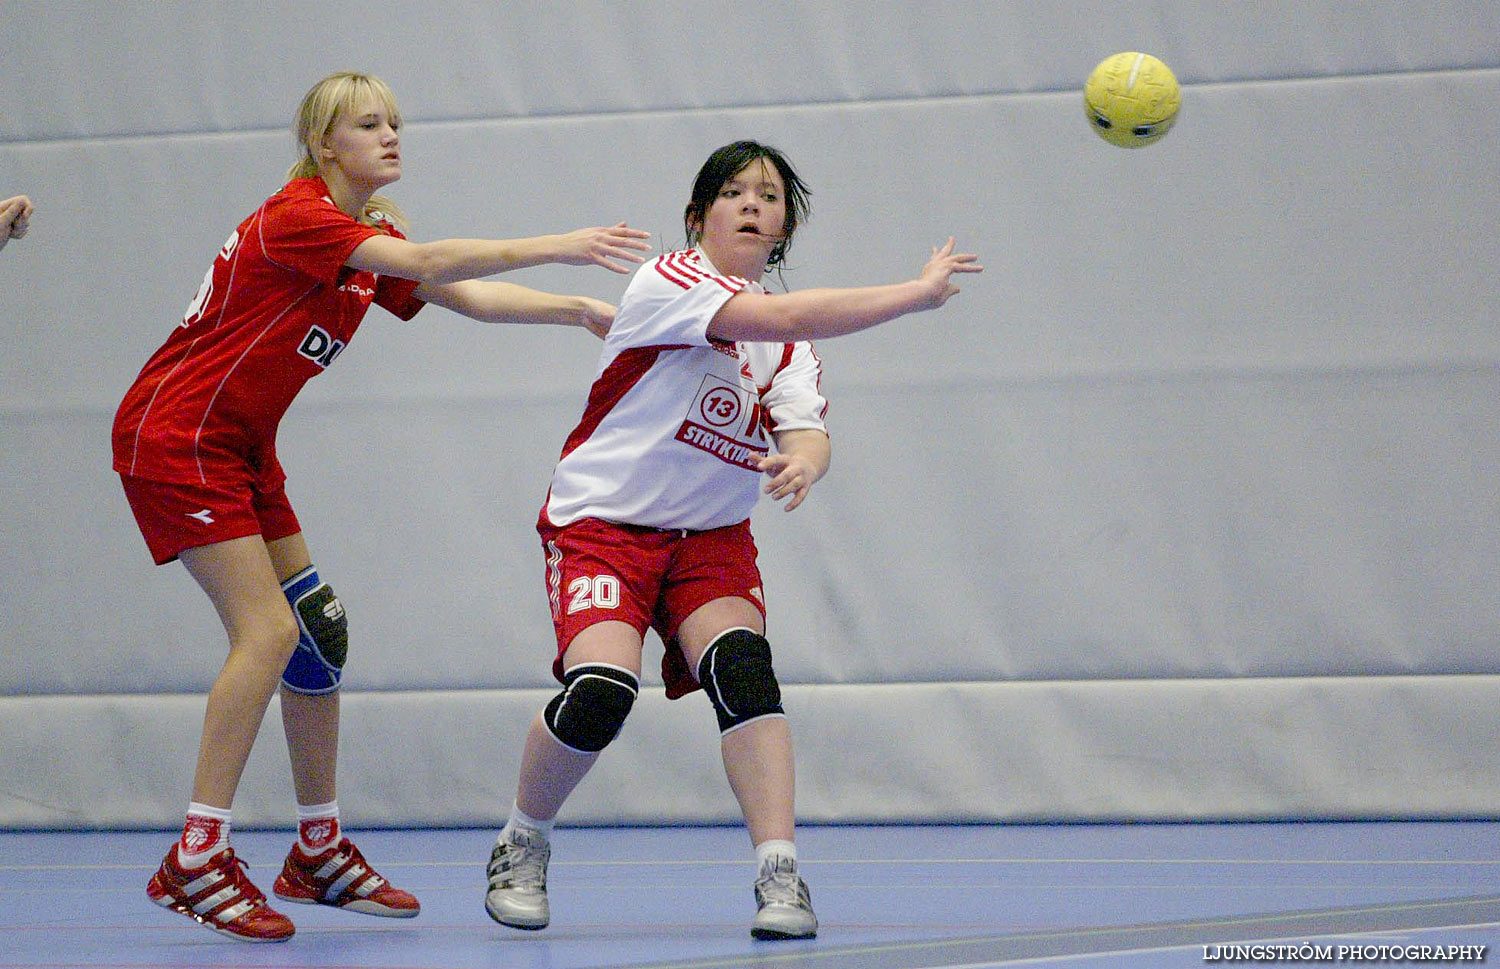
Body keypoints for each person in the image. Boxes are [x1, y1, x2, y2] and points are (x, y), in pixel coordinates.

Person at [112, 71, 650, 943]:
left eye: (396, 120)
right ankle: (197, 856)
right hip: (177, 437)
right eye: (369, 124)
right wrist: (567, 243)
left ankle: (316, 850)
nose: (392, 134)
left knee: (317, 636)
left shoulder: (365, 239)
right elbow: (438, 262)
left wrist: (576, 311)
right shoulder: (298, 218)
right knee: (270, 633)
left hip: (243, 447)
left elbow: (458, 293)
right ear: (327, 146)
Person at [483, 139, 981, 940]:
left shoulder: (786, 350)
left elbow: (806, 426)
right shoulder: (670, 281)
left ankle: (779, 873)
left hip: (708, 537)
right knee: (603, 692)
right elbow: (782, 310)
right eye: (736, 192)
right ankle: (522, 839)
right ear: (698, 217)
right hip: (604, 524)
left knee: (745, 673)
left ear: (784, 227)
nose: (754, 204)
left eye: (771, 196)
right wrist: (913, 295)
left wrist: (805, 464)